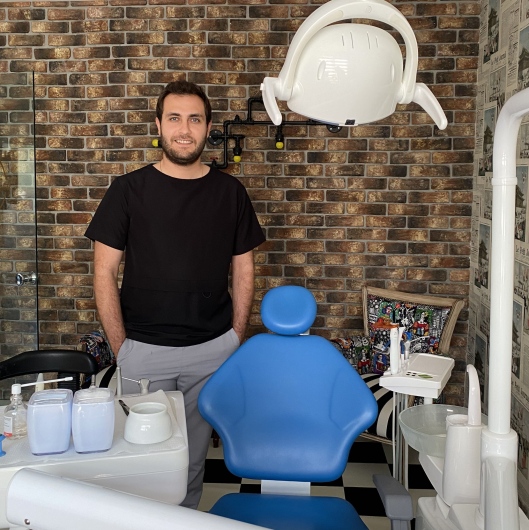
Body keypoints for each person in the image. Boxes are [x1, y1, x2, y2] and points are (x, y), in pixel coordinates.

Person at [85, 80, 265, 509]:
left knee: (191, 461)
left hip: (211, 350)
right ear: (159, 125)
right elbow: (103, 272)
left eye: (195, 119)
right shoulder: (127, 190)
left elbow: (244, 268)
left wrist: (235, 336)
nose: (185, 129)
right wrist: (122, 348)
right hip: (143, 350)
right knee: (143, 462)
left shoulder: (230, 193)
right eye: (175, 118)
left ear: (207, 127)